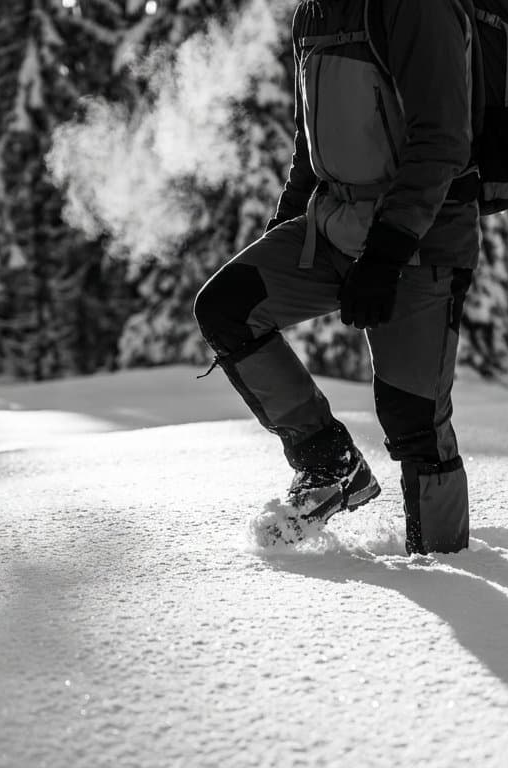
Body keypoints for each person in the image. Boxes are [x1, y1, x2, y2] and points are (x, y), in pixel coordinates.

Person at [193, 0, 478, 554]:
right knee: (228, 306)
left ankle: (448, 568)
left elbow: (442, 140)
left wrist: (387, 252)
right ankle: (330, 465)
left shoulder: (414, 9)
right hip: (333, 228)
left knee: (414, 421)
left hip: (421, 239)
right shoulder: (313, 13)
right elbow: (312, 148)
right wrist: (286, 227)